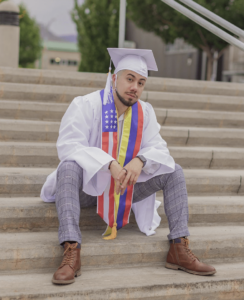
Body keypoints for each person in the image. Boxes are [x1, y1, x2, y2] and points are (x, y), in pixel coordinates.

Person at [40, 48, 216, 285]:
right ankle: (72, 250)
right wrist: (108, 163)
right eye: (130, 79)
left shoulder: (145, 112)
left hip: (126, 188)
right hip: (87, 189)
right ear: (114, 78)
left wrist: (141, 160)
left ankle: (178, 249)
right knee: (68, 167)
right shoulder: (86, 105)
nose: (135, 87)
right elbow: (69, 146)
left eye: (141, 82)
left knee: (174, 170)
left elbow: (160, 149)